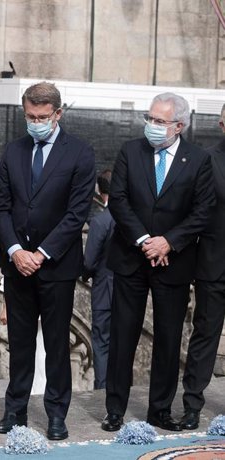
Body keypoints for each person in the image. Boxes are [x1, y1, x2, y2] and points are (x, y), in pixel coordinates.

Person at [100, 92, 214, 433]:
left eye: (160, 121)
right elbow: (117, 200)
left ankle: (160, 410)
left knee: (167, 338)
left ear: (179, 126)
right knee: (122, 336)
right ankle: (115, 409)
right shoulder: (130, 151)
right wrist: (144, 240)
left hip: (173, 262)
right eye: (149, 119)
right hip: (131, 256)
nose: (152, 126)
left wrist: (169, 241)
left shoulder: (197, 160)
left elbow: (202, 210)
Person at [0, 82, 95, 441]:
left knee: (56, 344)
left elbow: (77, 213)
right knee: (19, 342)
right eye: (29, 116)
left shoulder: (80, 153)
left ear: (58, 114)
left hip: (57, 267)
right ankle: (14, 410)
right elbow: (0, 206)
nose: (34, 122)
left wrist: (41, 253)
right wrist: (16, 251)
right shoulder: (13, 151)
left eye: (41, 117)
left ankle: (55, 414)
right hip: (17, 263)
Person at [179, 103, 225, 430]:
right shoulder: (207, 159)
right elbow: (195, 212)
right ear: (223, 123)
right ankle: (192, 406)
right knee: (205, 335)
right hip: (214, 265)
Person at [82, 170, 115, 390]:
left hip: (104, 289)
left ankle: (102, 388)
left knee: (102, 342)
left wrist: (85, 273)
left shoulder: (101, 221)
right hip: (128, 289)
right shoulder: (135, 219)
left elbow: (89, 261)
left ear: (101, 192)